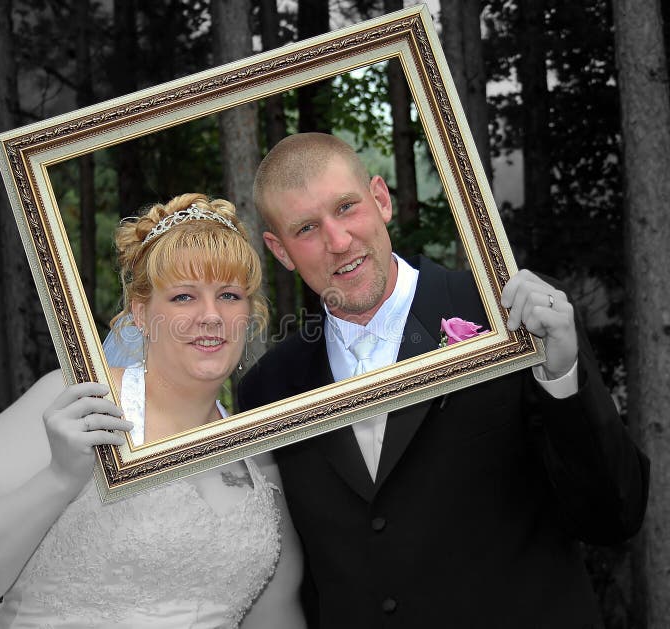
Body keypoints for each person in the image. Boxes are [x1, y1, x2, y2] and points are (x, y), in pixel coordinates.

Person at [237, 133, 649, 628]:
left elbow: (614, 516)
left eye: (346, 208)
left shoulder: (510, 317)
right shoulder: (268, 388)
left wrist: (562, 376)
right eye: (306, 228)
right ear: (280, 251)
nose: (338, 241)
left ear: (381, 199)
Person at [0, 193, 305, 628]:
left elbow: (276, 616)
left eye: (229, 295)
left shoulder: (258, 455)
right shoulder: (76, 403)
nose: (211, 316)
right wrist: (59, 478)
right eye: (183, 297)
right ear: (141, 313)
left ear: (250, 314)